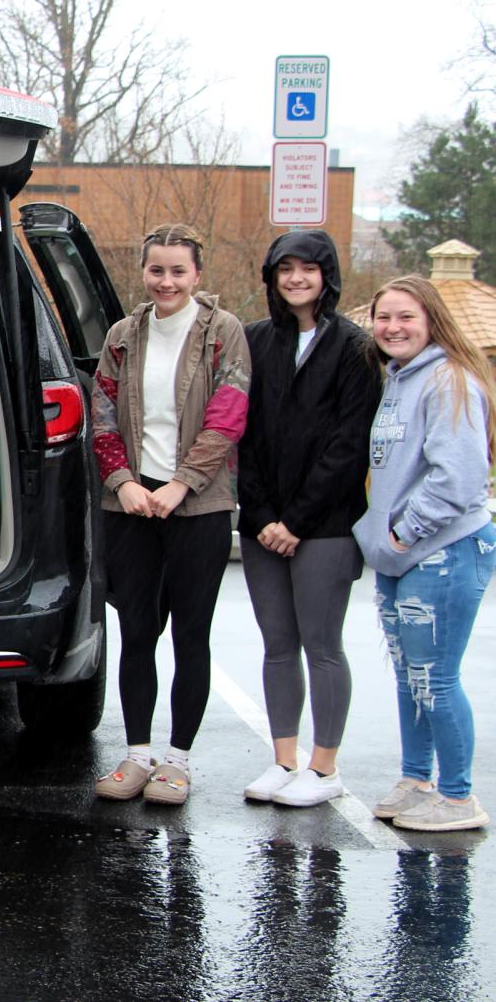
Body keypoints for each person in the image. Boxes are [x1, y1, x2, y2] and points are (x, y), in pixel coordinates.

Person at [90, 223, 250, 806]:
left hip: (199, 505)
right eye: (156, 270)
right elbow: (101, 409)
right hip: (132, 502)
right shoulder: (123, 335)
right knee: (136, 631)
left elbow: (228, 416)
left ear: (197, 276)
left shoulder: (222, 333)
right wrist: (122, 481)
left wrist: (182, 484)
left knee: (190, 634)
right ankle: (136, 756)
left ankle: (177, 762)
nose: (166, 281)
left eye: (178, 271)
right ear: (144, 272)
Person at [237, 230, 381, 807]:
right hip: (262, 524)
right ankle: (284, 760)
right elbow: (241, 435)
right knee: (277, 645)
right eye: (285, 269)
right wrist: (264, 515)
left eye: (308, 269)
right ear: (271, 276)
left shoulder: (354, 347)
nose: (296, 278)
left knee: (322, 645)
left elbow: (349, 445)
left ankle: (324, 770)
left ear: (327, 275)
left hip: (324, 526)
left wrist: (294, 521)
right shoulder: (254, 341)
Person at [353, 275, 496, 832]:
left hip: (444, 550)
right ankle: (417, 780)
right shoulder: (398, 380)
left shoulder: (448, 380)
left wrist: (402, 536)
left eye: (406, 317)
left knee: (436, 677)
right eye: (384, 317)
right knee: (410, 676)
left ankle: (458, 798)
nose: (392, 328)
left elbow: (458, 479)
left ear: (431, 320)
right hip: (401, 555)